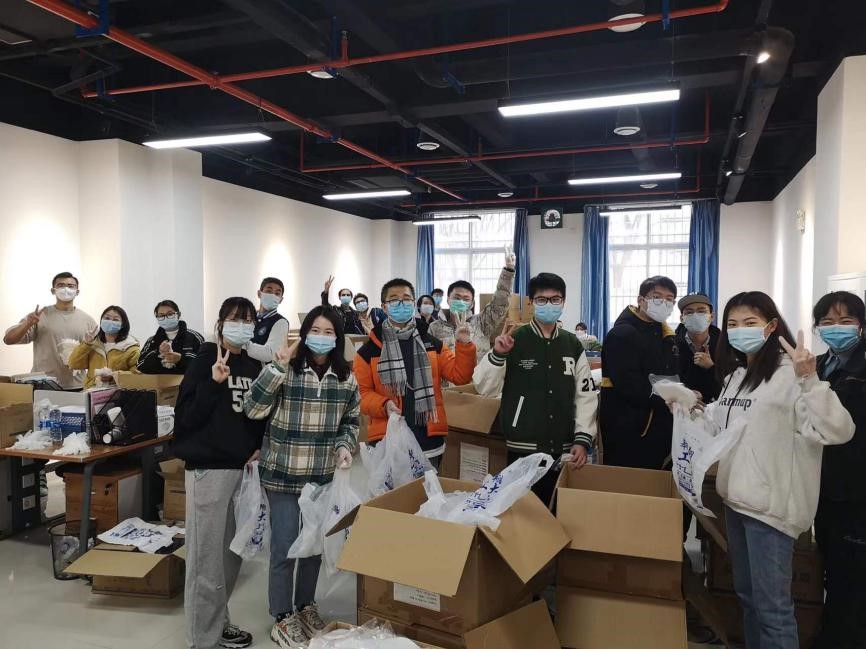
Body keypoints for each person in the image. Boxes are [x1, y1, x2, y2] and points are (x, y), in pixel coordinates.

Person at [707, 291, 854, 649]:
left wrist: (810, 380)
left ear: (771, 326)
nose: (740, 330)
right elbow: (722, 426)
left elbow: (838, 430)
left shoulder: (791, 375)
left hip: (771, 510)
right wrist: (687, 408)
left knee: (773, 611)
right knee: (748, 599)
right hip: (736, 501)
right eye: (732, 324)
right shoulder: (736, 375)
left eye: (750, 323)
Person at [244, 306, 360, 648]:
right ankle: (282, 615)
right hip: (283, 475)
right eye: (315, 330)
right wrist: (275, 368)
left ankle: (305, 604)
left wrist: (345, 446)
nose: (321, 338)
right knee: (284, 547)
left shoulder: (346, 378)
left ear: (337, 338)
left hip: (321, 478)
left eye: (329, 332)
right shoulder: (286, 370)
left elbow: (350, 421)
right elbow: (253, 408)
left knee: (312, 548)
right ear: (305, 333)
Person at [173, 297, 264, 649]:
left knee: (230, 556)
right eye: (235, 319)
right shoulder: (204, 360)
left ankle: (217, 621)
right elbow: (186, 419)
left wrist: (257, 445)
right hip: (209, 470)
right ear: (222, 322)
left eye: (248, 320)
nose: (242, 325)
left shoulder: (253, 366)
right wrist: (212, 383)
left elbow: (257, 414)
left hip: (243, 471)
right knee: (205, 559)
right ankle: (202, 639)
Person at [474, 273, 598, 505]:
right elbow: (484, 388)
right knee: (522, 510)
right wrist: (498, 354)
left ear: (563, 302)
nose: (549, 305)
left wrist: (582, 439)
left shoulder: (572, 344)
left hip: (563, 448)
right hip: (522, 447)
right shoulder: (514, 340)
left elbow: (586, 395)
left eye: (555, 299)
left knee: (557, 509)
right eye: (542, 299)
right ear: (531, 302)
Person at [355, 278, 476, 467]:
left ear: (413, 304)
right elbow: (362, 395)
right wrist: (383, 404)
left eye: (406, 299)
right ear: (384, 307)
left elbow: (459, 376)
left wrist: (464, 344)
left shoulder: (432, 343)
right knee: (390, 487)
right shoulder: (368, 351)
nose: (401, 304)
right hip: (387, 439)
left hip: (427, 437)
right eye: (394, 299)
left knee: (428, 486)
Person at [811, 291, 866, 648]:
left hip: (856, 488)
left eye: (846, 321)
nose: (836, 328)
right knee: (829, 565)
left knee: (852, 576)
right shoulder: (818, 366)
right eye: (828, 321)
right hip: (822, 483)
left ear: (861, 326)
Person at [600, 275, 680, 470]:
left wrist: (683, 393)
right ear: (641, 300)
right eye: (657, 297)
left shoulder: (666, 335)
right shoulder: (622, 334)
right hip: (629, 429)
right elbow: (629, 386)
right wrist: (672, 397)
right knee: (627, 483)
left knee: (654, 480)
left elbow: (668, 374)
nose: (664, 303)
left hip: (659, 425)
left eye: (669, 299)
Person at [3, 272, 96, 389]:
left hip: (78, 385)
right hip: (43, 384)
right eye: (61, 285)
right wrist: (27, 324)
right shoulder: (40, 316)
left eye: (70, 286)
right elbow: (8, 340)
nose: (66, 289)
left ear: (77, 291)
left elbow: (95, 356)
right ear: (53, 290)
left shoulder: (88, 321)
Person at [429, 252, 516, 362]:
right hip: (446, 373)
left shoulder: (482, 322)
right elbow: (430, 359)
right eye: (457, 297)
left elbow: (499, 303)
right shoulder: (434, 327)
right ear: (448, 300)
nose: (461, 302)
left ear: (472, 304)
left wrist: (508, 271)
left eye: (466, 299)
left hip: (477, 373)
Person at [67, 306, 140, 390]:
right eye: (107, 318)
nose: (110, 322)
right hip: (92, 391)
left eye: (115, 320)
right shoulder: (93, 343)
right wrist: (86, 344)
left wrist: (114, 376)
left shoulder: (131, 347)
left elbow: (137, 374)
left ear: (123, 324)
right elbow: (73, 364)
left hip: (117, 393)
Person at [675, 293, 722, 403]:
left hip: (717, 408)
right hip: (682, 407)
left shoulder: (725, 345)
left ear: (711, 317)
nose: (695, 316)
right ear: (682, 318)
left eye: (701, 311)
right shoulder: (672, 344)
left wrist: (711, 367)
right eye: (689, 312)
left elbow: (731, 387)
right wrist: (686, 394)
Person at [137, 300, 205, 374]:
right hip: (159, 381)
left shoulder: (194, 337)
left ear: (178, 314)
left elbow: (204, 363)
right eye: (161, 315)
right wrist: (158, 353)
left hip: (187, 381)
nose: (166, 318)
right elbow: (140, 365)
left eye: (170, 314)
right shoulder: (152, 340)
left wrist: (181, 358)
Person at [247, 277, 290, 363]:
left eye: (277, 293)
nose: (273, 295)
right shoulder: (249, 317)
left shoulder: (281, 322)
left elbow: (270, 354)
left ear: (281, 300)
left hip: (259, 369)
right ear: (259, 294)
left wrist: (240, 343)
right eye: (269, 291)